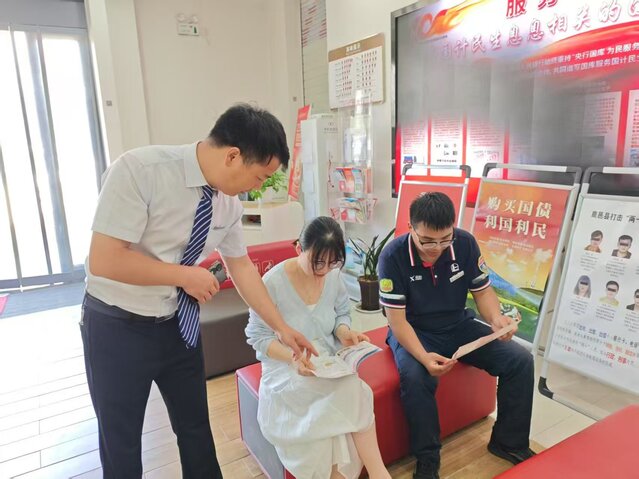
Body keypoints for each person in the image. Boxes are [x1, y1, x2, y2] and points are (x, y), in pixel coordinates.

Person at [82, 104, 316, 479]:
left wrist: (281, 327)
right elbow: (105, 259)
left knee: (196, 431)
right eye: (259, 177)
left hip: (179, 324)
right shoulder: (141, 170)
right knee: (121, 441)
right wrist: (183, 276)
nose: (257, 187)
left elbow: (241, 266)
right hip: (117, 326)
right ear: (233, 156)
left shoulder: (228, 203)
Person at [377, 192, 535, 479]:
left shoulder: (464, 243)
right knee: (416, 378)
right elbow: (396, 321)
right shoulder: (392, 256)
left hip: (458, 324)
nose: (436, 248)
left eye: (444, 239)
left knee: (520, 360)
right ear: (411, 228)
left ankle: (508, 442)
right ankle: (428, 459)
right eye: (427, 241)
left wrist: (496, 320)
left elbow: (482, 291)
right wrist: (424, 356)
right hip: (414, 330)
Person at [245, 217, 391, 479]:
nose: (324, 270)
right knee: (348, 397)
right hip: (285, 368)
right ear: (299, 249)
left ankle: (378, 473)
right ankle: (380, 474)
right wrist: (292, 358)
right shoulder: (272, 283)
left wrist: (344, 332)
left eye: (332, 262)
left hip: (326, 363)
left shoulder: (333, 277)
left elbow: (342, 313)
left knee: (348, 395)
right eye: (317, 262)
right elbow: (258, 337)